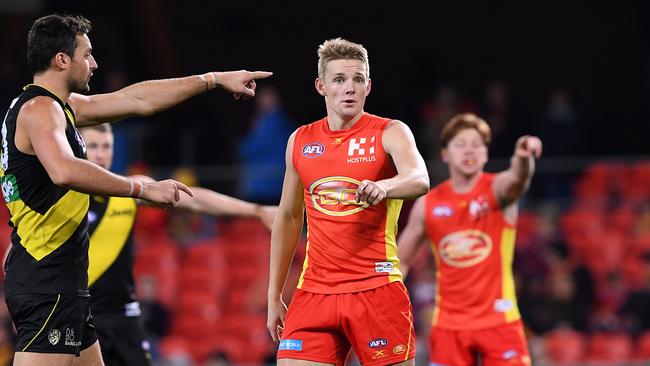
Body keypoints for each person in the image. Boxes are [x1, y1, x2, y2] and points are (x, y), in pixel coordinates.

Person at [0, 14, 271, 366]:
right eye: (87, 54)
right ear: (61, 60)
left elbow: (137, 100)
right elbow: (64, 171)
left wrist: (213, 80)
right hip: (47, 278)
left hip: (63, 282)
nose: (94, 63)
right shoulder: (41, 109)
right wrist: (140, 189)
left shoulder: (56, 108)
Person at [267, 38, 429, 366]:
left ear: (368, 87)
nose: (349, 88)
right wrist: (274, 296)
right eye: (339, 80)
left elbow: (419, 178)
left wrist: (386, 186)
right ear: (321, 86)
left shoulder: (390, 132)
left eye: (357, 80)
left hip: (376, 289)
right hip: (315, 291)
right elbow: (287, 218)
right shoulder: (300, 140)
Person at [79, 123, 276, 366]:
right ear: (80, 149)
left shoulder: (129, 190)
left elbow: (194, 200)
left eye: (107, 146)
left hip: (124, 320)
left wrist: (255, 210)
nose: (100, 154)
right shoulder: (66, 197)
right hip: (80, 318)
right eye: (94, 146)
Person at [397, 113, 542, 366]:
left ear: (486, 154)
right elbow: (400, 261)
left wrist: (523, 157)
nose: (469, 151)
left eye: (477, 145)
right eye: (460, 144)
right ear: (445, 154)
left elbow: (519, 178)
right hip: (448, 326)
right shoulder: (427, 204)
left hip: (499, 322)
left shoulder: (498, 191)